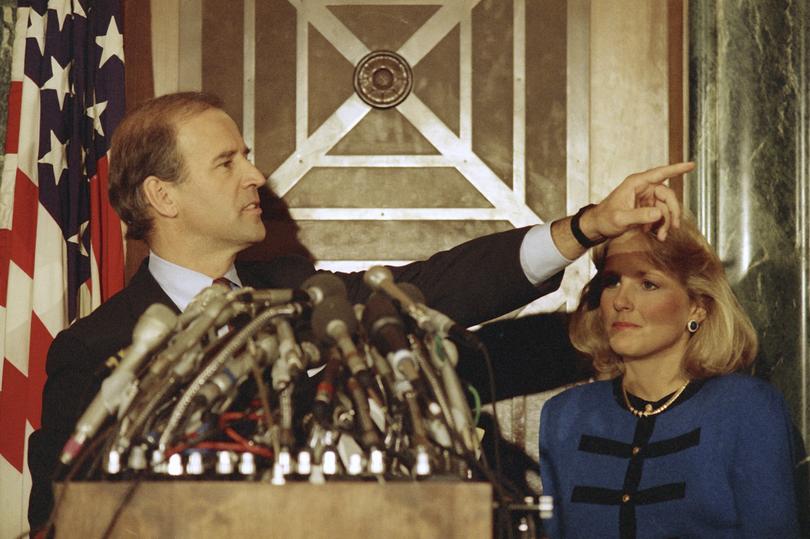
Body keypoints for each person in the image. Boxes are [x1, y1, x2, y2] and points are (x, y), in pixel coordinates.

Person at [26, 91, 693, 530]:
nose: (255, 176)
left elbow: (444, 285)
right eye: (227, 163)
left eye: (247, 157)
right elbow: (63, 518)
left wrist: (588, 226)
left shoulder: (303, 299)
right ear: (162, 196)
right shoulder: (98, 348)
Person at [539, 217, 802, 538]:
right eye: (612, 281)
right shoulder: (564, 415)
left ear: (697, 308)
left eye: (648, 283)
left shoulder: (746, 407)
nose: (621, 301)